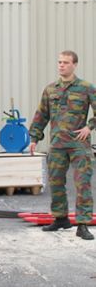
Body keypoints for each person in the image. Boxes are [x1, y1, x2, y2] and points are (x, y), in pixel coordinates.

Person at [29, 50, 96, 240]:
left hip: (79, 145)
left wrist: (89, 127)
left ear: (75, 65)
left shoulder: (86, 88)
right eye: (59, 62)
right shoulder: (51, 89)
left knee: (82, 184)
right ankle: (60, 219)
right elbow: (41, 115)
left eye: (65, 63)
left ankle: (82, 224)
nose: (61, 65)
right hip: (57, 144)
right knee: (56, 182)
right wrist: (34, 138)